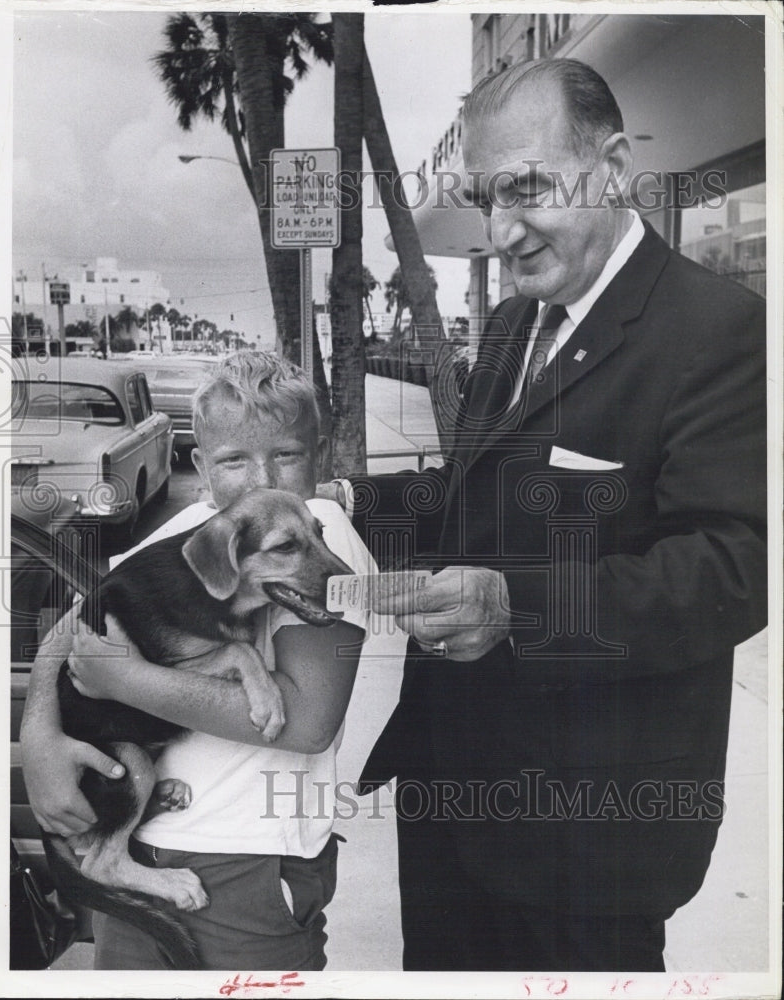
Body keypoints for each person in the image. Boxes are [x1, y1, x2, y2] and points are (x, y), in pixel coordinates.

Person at [328, 58, 767, 971]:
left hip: (590, 838)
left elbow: (734, 571)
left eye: (525, 188)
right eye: (485, 199)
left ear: (610, 167)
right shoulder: (512, 326)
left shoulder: (721, 330)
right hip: (450, 797)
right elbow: (473, 499)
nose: (500, 231)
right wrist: (340, 506)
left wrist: (512, 610)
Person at [19, 351, 377, 970]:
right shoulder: (191, 531)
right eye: (236, 459)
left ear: (319, 457)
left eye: (285, 454)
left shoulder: (319, 540)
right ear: (201, 466)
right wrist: (37, 741)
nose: (262, 480)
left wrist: (125, 679)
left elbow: (307, 722)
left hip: (245, 864)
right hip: (139, 849)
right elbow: (68, 629)